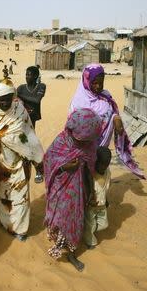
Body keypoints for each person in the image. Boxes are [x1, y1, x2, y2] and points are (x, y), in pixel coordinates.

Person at [0, 79, 44, 241]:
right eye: (1, 99)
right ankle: (5, 222)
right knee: (1, 196)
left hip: (20, 163)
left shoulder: (20, 110)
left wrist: (37, 160)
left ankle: (20, 229)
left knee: (20, 198)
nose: (5, 102)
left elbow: (29, 136)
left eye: (9, 98)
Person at [44, 108, 102, 272]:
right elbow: (48, 161)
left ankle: (71, 252)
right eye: (82, 140)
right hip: (60, 189)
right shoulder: (62, 141)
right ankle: (62, 245)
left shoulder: (90, 145)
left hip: (79, 190)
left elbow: (90, 169)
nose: (85, 144)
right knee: (61, 217)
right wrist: (65, 166)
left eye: (88, 141)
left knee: (75, 220)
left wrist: (91, 191)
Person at [69, 63, 144, 179]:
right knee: (83, 177)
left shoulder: (105, 96)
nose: (98, 86)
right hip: (83, 150)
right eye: (94, 83)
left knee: (101, 170)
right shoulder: (79, 102)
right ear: (86, 81)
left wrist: (116, 119)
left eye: (101, 82)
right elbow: (73, 128)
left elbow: (111, 112)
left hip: (102, 147)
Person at [17, 66, 47, 183]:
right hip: (21, 121)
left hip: (31, 121)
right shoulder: (20, 88)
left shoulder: (41, 86)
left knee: (31, 142)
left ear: (35, 76)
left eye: (29, 75)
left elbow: (36, 100)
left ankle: (39, 169)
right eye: (26, 74)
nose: (27, 77)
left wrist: (19, 95)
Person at [83, 146, 111, 249]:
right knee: (91, 225)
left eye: (106, 165)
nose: (104, 168)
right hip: (92, 206)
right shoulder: (91, 175)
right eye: (102, 165)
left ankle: (86, 230)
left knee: (104, 224)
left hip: (102, 206)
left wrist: (106, 199)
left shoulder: (107, 173)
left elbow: (106, 188)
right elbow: (87, 191)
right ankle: (90, 241)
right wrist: (89, 201)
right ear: (96, 162)